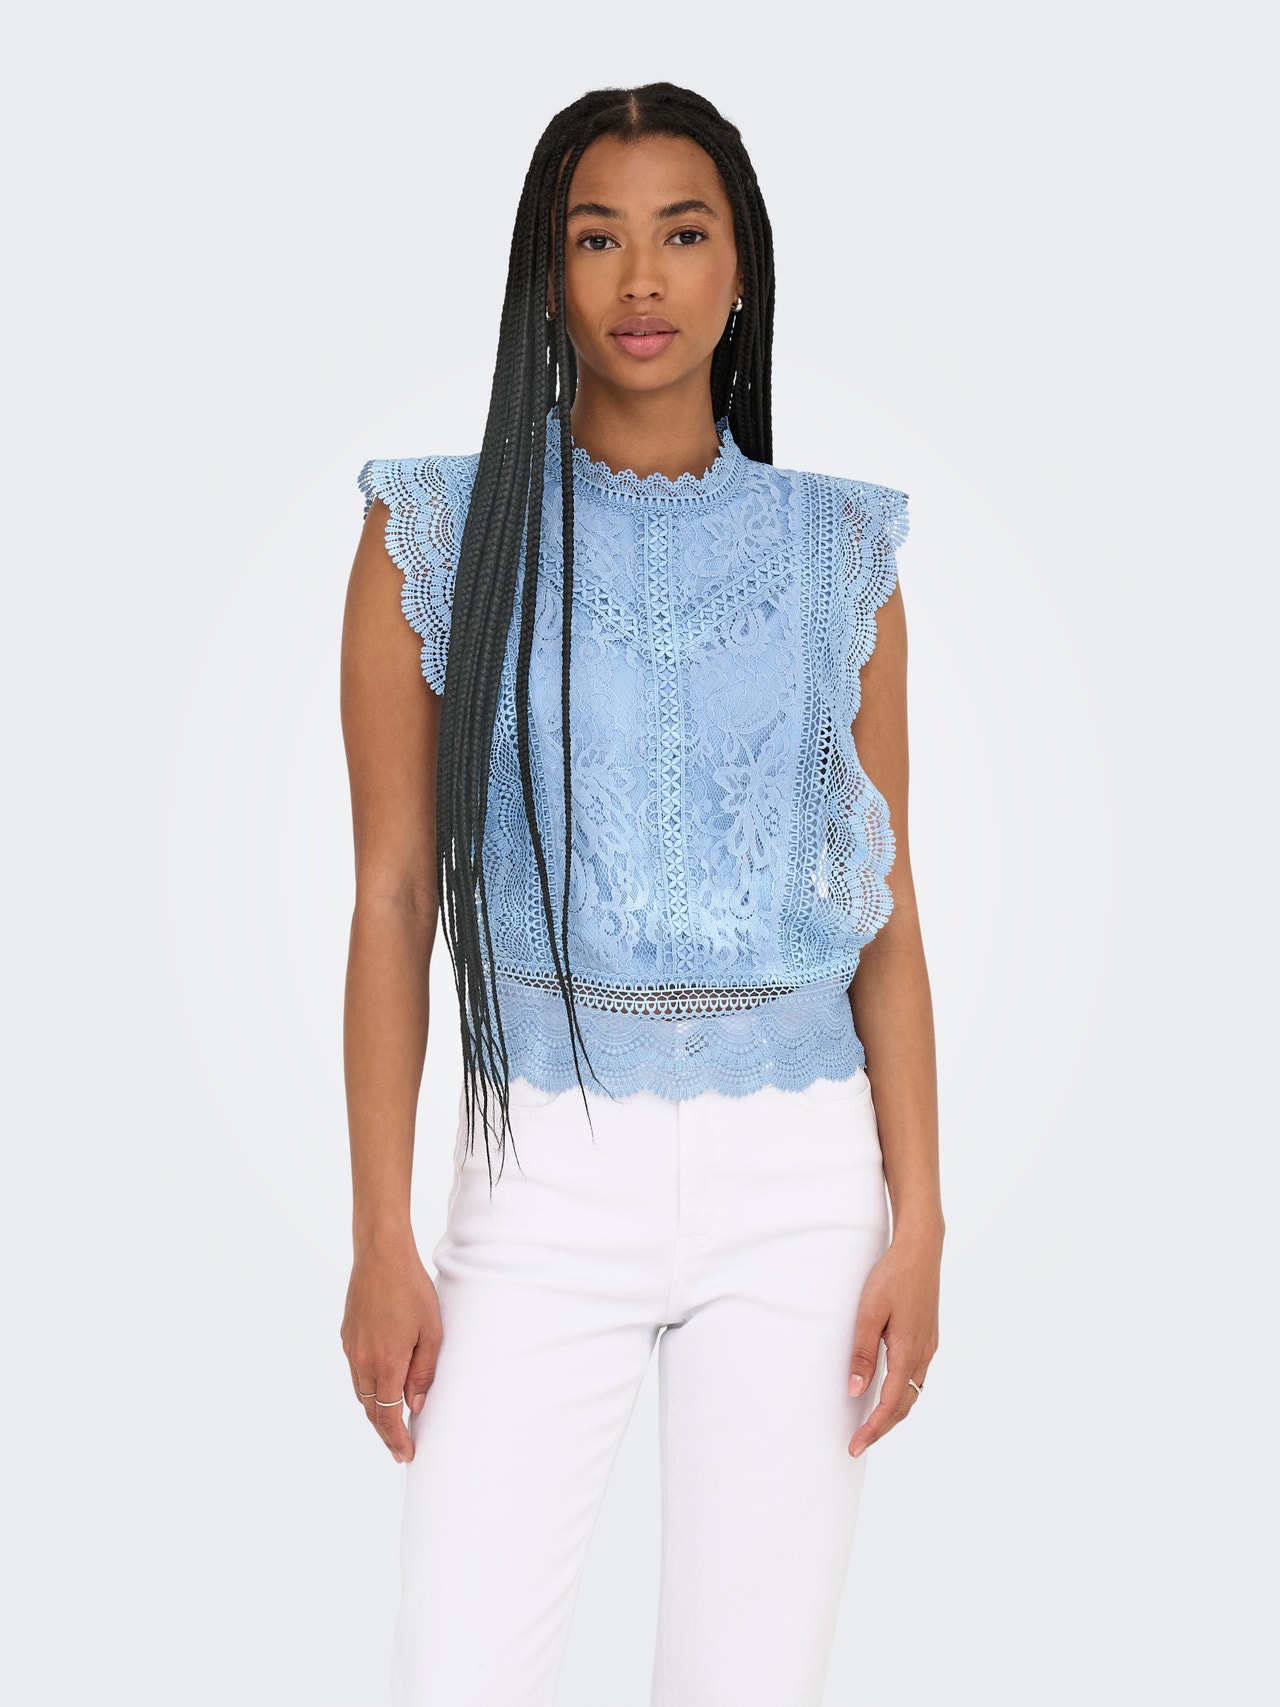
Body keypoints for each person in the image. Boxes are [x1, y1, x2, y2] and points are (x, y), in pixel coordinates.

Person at [339, 81, 943, 1707]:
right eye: (596, 238)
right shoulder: (438, 531)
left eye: (683, 233)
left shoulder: (839, 551)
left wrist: (924, 1219)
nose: (643, 279)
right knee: (460, 1669)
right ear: (548, 274)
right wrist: (380, 1233)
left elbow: (885, 911)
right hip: (542, 1165)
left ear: (742, 265)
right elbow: (391, 897)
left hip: (802, 1177)